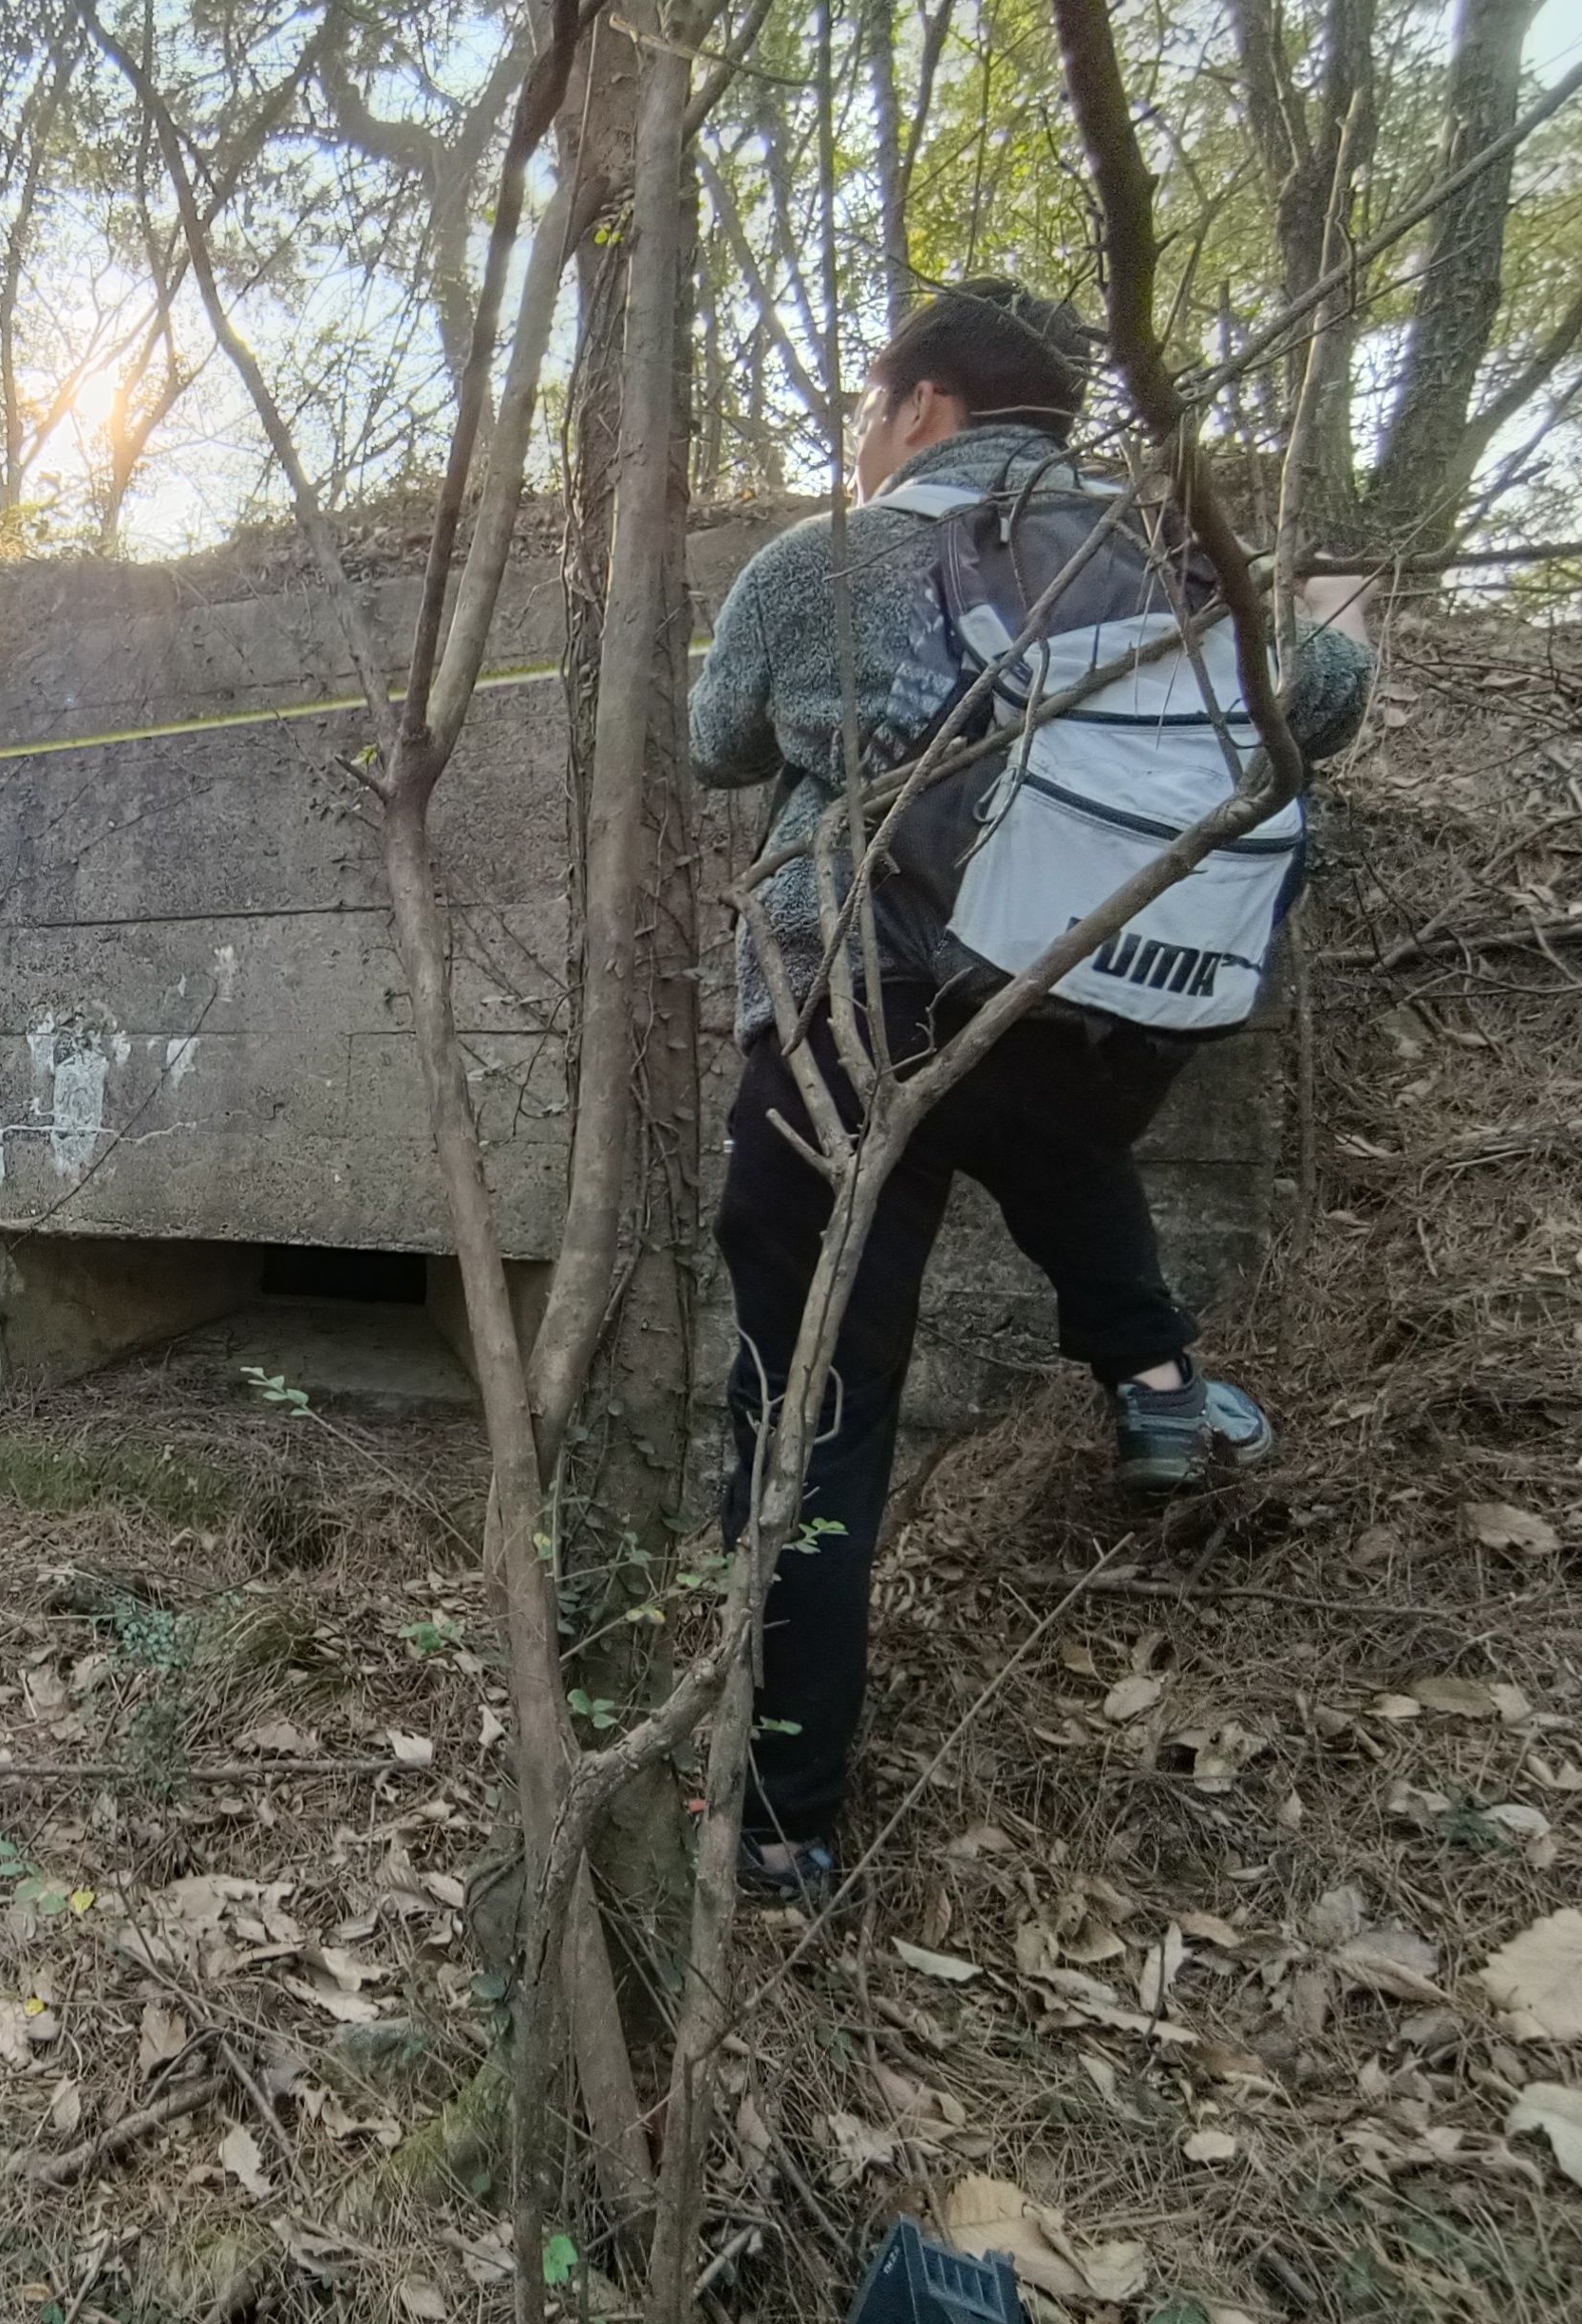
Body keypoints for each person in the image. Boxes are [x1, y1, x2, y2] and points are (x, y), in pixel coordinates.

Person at [688, 281, 1376, 1896]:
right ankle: (1149, 1382)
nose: (863, 438)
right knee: (1057, 1133)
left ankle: (781, 1827)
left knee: (811, 1415)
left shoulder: (819, 564)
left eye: (873, 407)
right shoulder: (1163, 563)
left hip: (840, 1019)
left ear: (922, 402)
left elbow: (719, 741)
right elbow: (1324, 693)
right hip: (1073, 1014)